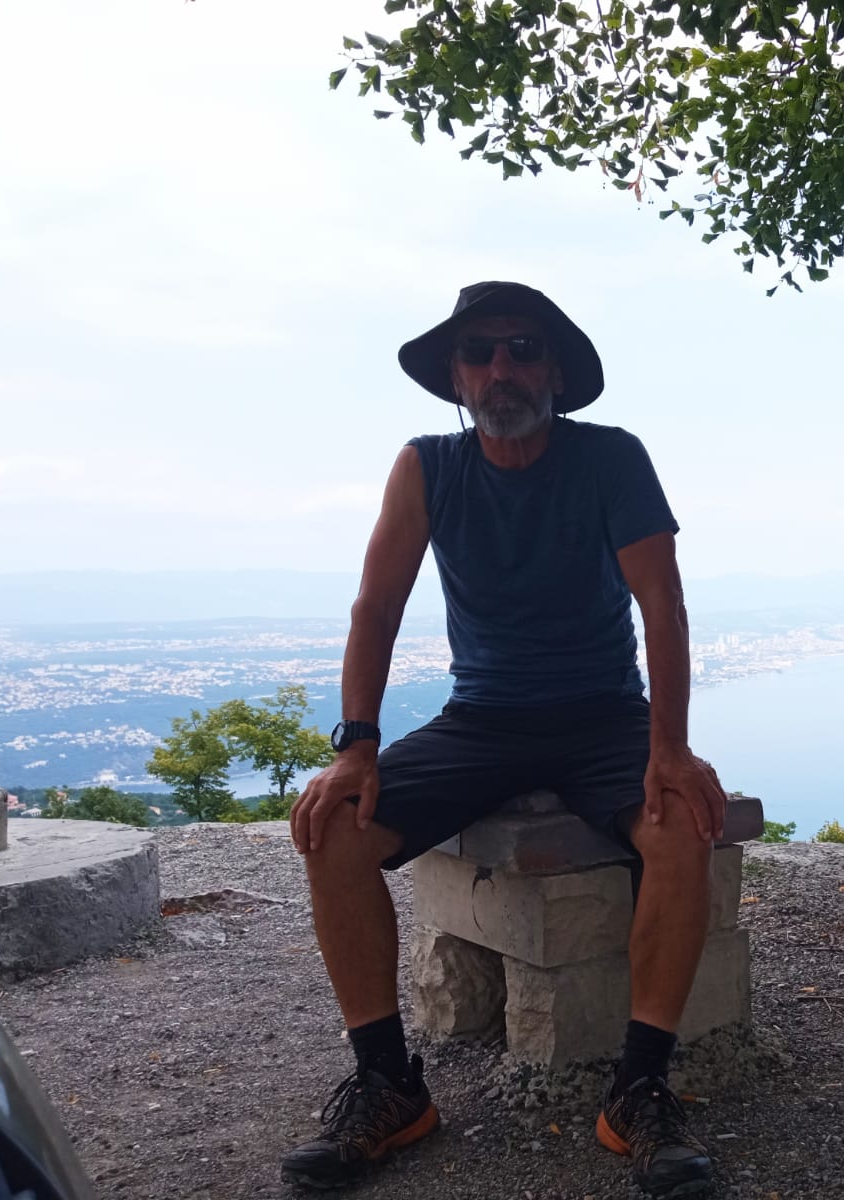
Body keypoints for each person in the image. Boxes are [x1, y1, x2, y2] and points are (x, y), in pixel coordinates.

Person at [280, 282, 727, 1199]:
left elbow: (663, 605)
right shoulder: (428, 467)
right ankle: (389, 1087)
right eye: (479, 352)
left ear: (554, 371)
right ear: (456, 376)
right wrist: (355, 746)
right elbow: (376, 607)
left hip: (604, 713)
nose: (501, 368)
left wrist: (671, 749)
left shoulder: (610, 459)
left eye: (523, 348)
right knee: (334, 830)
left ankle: (638, 1091)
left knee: (682, 828)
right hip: (483, 718)